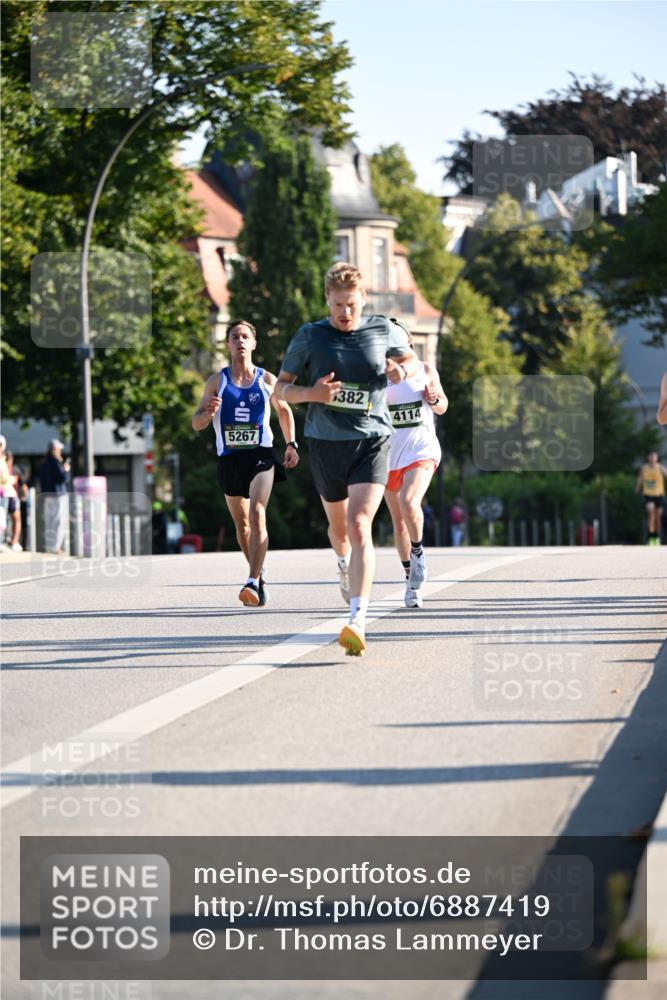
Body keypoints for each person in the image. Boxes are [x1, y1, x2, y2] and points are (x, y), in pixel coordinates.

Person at [276, 261, 419, 656]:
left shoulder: (381, 329)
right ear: (328, 300)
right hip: (325, 443)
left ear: (363, 300)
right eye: (338, 305)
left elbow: (411, 361)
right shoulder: (310, 337)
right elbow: (281, 391)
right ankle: (343, 563)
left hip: (372, 440)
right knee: (339, 532)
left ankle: (357, 620)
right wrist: (313, 395)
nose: (345, 313)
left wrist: (398, 370)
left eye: (352, 304)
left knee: (360, 526)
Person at [192, 319, 299, 607]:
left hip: (261, 456)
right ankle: (258, 573)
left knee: (257, 513)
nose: (240, 341)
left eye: (245, 336)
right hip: (229, 459)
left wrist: (291, 443)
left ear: (253, 343)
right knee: (242, 525)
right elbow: (197, 423)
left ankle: (251, 581)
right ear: (228, 344)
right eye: (234, 337)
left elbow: (284, 410)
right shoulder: (217, 381)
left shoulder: (266, 380)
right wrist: (207, 413)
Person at [384, 344, 448, 608]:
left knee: (410, 502)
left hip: (421, 449)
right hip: (388, 455)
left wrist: (433, 399)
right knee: (398, 523)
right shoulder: (378, 376)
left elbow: (442, 406)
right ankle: (411, 580)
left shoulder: (424, 369)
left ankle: (418, 551)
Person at [38, 438, 70, 555]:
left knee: (49, 521)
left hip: (47, 496)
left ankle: (49, 545)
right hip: (57, 495)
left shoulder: (44, 463)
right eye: (59, 450)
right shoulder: (56, 463)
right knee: (58, 521)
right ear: (54, 450)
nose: (60, 452)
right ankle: (55, 547)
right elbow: (61, 478)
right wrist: (66, 470)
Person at [635, 451, 667, 546]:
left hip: (659, 495)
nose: (653, 459)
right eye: (651, 457)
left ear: (657, 458)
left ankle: (656, 536)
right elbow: (640, 479)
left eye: (654, 457)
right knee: (651, 515)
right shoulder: (644, 468)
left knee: (658, 518)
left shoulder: (661, 468)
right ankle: (651, 537)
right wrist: (637, 487)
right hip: (648, 495)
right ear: (648, 458)